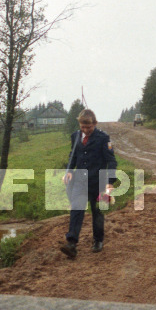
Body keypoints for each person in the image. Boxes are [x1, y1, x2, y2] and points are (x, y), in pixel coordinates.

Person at [61, 109, 116, 259]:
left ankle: (98, 240)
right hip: (80, 181)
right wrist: (69, 171)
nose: (86, 130)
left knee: (97, 212)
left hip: (99, 182)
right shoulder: (75, 136)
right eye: (83, 127)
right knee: (77, 208)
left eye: (89, 127)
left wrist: (110, 182)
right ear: (79, 124)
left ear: (95, 123)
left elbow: (111, 161)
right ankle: (71, 243)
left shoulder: (103, 138)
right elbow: (73, 155)